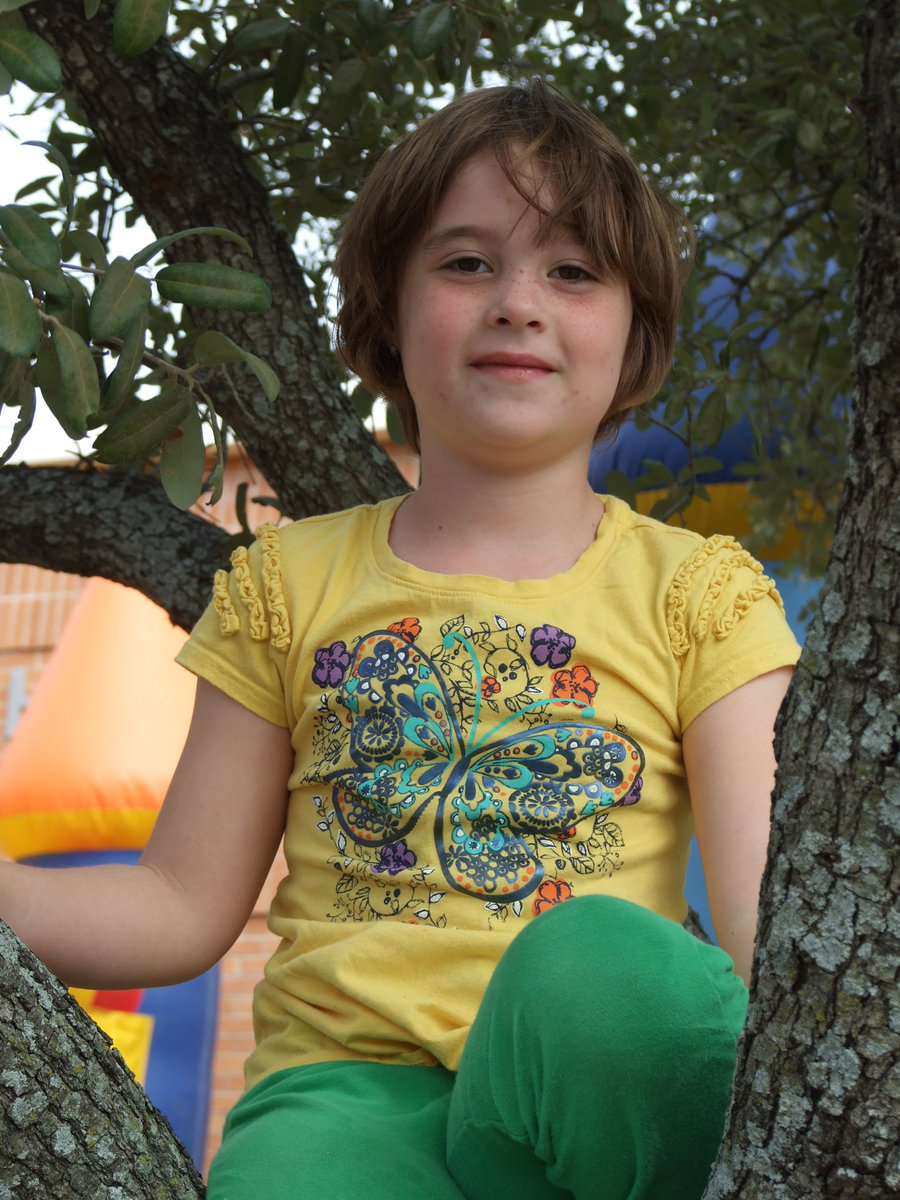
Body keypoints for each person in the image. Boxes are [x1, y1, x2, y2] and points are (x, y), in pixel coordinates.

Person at [0, 80, 800, 1199]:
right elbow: (178, 904)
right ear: (387, 307)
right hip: (346, 1099)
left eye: (573, 271)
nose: (519, 301)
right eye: (467, 262)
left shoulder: (702, 593)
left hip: (591, 1095)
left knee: (613, 964)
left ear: (637, 332)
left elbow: (776, 920)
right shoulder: (287, 581)